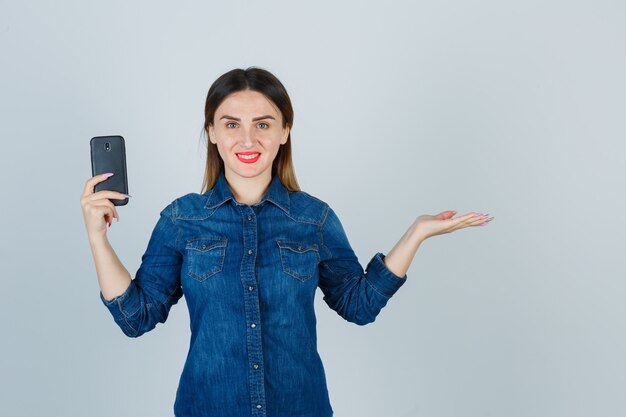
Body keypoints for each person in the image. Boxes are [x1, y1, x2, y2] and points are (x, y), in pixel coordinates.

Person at [80, 67, 493, 417]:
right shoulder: (181, 218)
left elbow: (359, 305)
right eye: (231, 124)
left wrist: (415, 233)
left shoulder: (314, 218)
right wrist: (98, 239)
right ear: (210, 132)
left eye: (263, 124)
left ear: (284, 131)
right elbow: (136, 317)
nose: (247, 140)